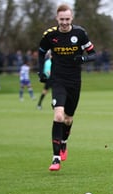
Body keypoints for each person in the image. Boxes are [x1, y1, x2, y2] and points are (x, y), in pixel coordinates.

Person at [38, 4, 97, 171]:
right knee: (58, 116)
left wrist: (83, 59)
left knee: (68, 119)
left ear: (72, 18)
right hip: (58, 80)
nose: (64, 22)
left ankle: (64, 142)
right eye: (61, 19)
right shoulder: (50, 35)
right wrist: (41, 71)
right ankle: (56, 158)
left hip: (74, 82)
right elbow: (41, 51)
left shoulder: (80, 34)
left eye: (67, 19)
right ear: (57, 19)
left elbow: (93, 54)